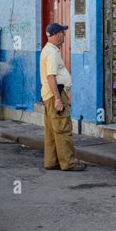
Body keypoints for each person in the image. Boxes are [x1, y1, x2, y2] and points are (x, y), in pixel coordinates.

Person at [40, 23, 86, 171]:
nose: (64, 36)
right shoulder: (52, 53)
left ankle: (52, 161)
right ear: (56, 34)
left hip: (49, 95)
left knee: (52, 131)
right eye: (62, 33)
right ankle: (68, 162)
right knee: (62, 128)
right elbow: (51, 77)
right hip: (55, 94)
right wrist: (59, 99)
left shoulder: (48, 50)